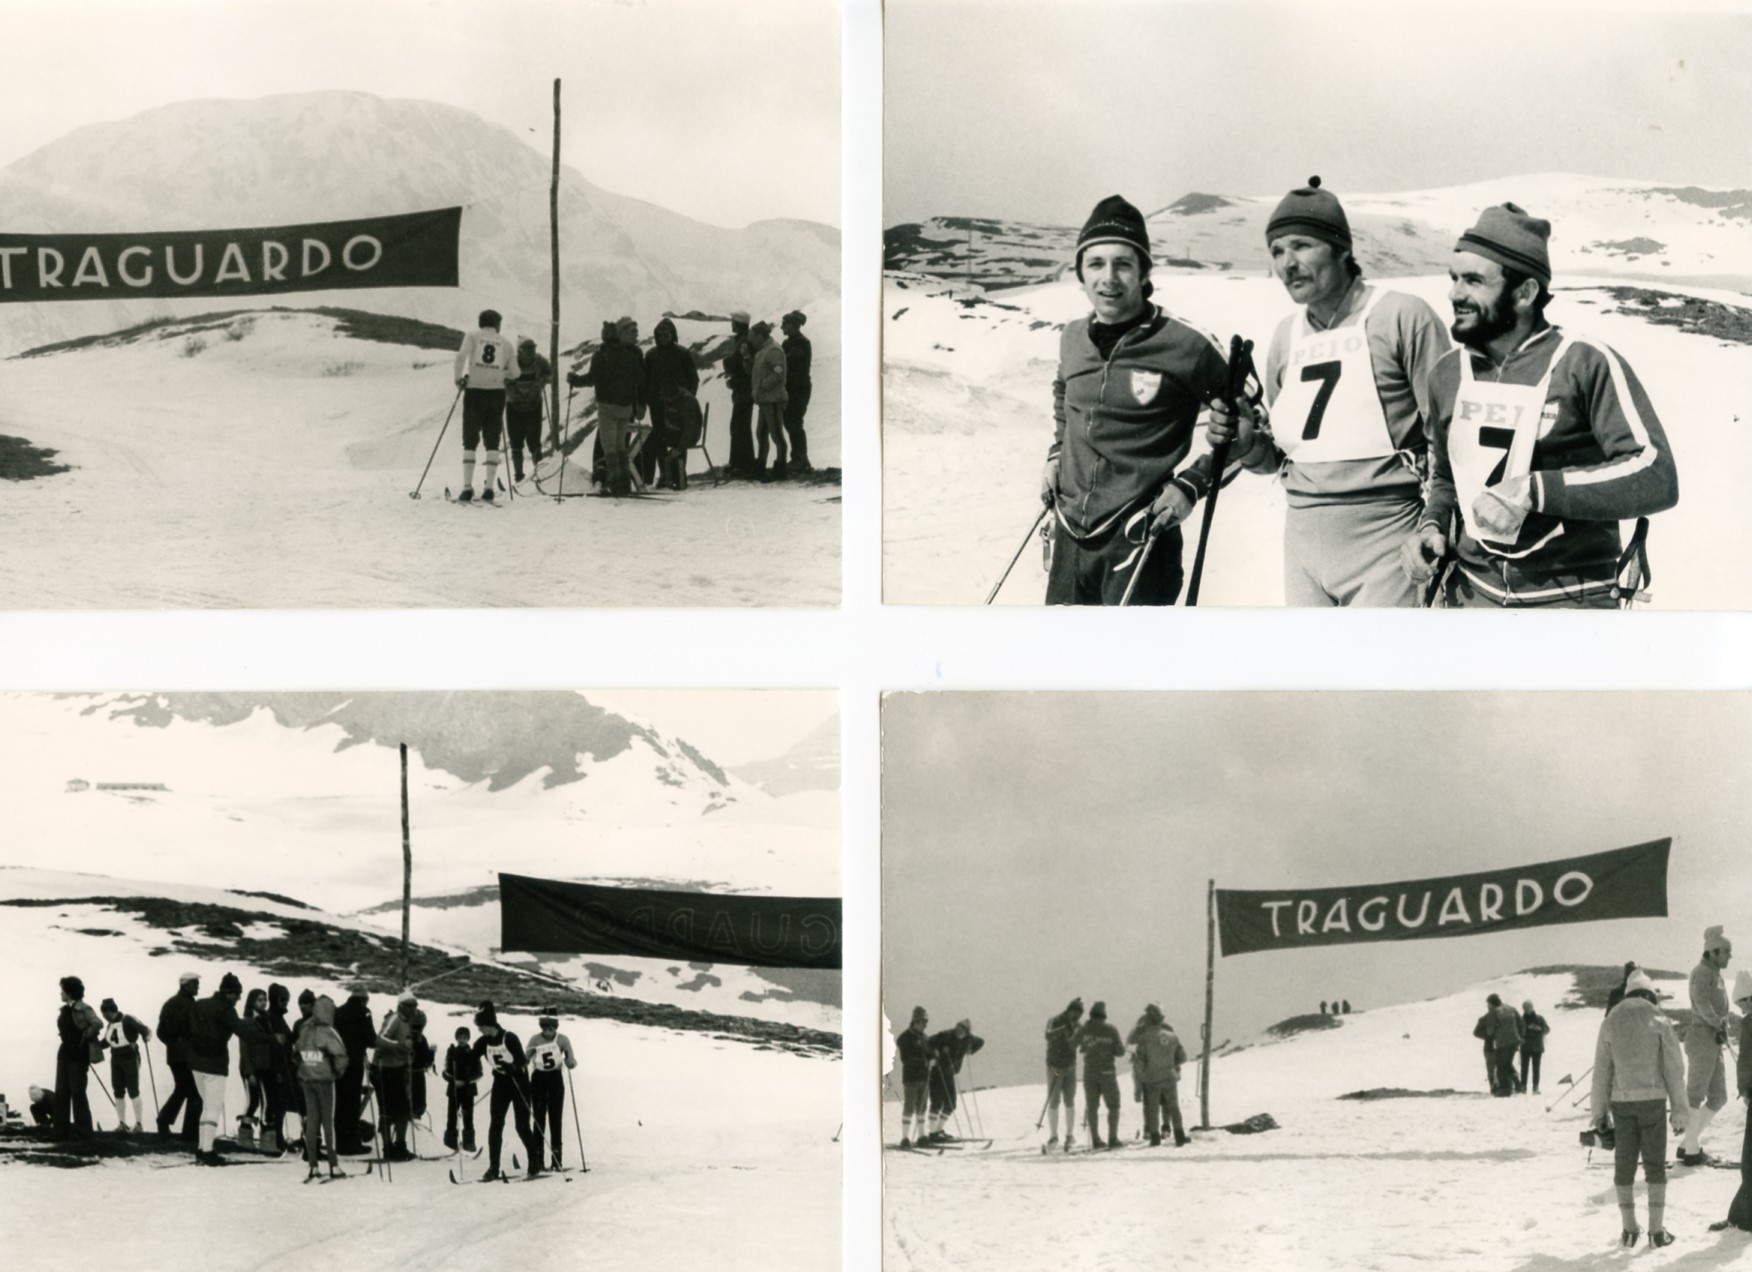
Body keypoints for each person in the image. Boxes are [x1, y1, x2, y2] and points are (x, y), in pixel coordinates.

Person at [1401, 203, 1679, 607]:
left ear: (1525, 292)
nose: (1454, 293)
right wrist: (1432, 525)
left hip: (1570, 598)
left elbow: (1656, 474)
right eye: (1454, 279)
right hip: (1470, 594)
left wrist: (1535, 490)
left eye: (1474, 281)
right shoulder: (1447, 373)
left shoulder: (1584, 362)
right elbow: (1446, 477)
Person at [1208, 177, 1450, 606]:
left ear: (1341, 249)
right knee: (1311, 673)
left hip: (1386, 538)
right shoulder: (1287, 337)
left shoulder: (1400, 317)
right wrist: (1247, 445)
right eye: (1277, 251)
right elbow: (1282, 458)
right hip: (1302, 543)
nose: (1287, 263)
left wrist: (1437, 524)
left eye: (1302, 245)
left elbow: (1449, 440)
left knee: (1378, 673)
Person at [1042, 195, 1245, 605]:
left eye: (1123, 263)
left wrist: (1191, 486)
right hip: (1070, 535)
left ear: (1144, 272)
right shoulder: (1072, 338)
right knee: (1062, 662)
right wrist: (1056, 453)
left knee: (1136, 665)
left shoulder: (1186, 345)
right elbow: (1065, 393)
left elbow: (1249, 428)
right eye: (1095, 263)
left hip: (1141, 535)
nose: (1109, 278)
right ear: (1080, 272)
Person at [1591, 969, 1687, 1248]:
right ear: (1649, 993)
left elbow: (1601, 1073)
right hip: (1653, 1102)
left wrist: (1599, 1114)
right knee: (1655, 1166)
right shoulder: (1658, 1018)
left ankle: (1629, 1229)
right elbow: (1673, 1069)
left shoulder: (1611, 1019)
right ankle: (1656, 1233)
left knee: (1624, 1166)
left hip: (1622, 1104)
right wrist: (1680, 1111)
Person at [567, 316, 646, 497]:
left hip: (607, 406)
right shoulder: (631, 354)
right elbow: (641, 378)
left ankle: (614, 482)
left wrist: (574, 380)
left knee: (609, 446)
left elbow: (591, 378)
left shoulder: (601, 355)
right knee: (621, 445)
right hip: (626, 406)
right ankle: (625, 483)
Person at [1679, 926, 1734, 1165]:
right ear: (1712, 952)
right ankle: (1691, 1150)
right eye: (1725, 952)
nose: (1729, 956)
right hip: (1702, 1036)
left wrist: (1722, 1026)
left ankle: (1686, 1144)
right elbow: (1701, 1003)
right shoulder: (1701, 972)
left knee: (1719, 1096)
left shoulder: (1716, 975)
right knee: (1695, 1094)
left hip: (1714, 1038)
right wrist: (1716, 1023)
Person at [451, 308, 518, 503]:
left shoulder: (472, 336)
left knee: (470, 439)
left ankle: (466, 487)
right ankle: (489, 487)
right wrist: (500, 374)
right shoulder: (506, 343)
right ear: (497, 324)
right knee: (492, 439)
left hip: (474, 391)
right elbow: (515, 373)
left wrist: (458, 379)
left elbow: (460, 356)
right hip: (496, 393)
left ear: (481, 323)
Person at [473, 1003, 541, 1180]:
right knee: (496, 1125)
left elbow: (521, 1063)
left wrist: (513, 1068)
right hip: (500, 1085)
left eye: (481, 1027)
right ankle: (493, 1168)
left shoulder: (509, 1038)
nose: (479, 1030)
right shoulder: (483, 1042)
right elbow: (471, 1057)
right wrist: (459, 1056)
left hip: (519, 1084)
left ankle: (534, 1162)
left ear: (489, 1024)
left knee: (522, 1126)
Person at [1708, 969, 1752, 1232]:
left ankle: (1742, 1218)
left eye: (1743, 1002)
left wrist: (1745, 1089)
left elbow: (1746, 1061)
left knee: (1750, 1159)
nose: (1742, 1008)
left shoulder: (1750, 1023)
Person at [187, 972, 246, 1166]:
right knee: (213, 1107)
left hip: (196, 1063)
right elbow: (242, 1031)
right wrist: (271, 1038)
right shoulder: (226, 1009)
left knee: (206, 1106)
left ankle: (202, 1148)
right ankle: (208, 1151)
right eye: (237, 994)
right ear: (229, 993)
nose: (239, 998)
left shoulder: (199, 1004)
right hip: (216, 1064)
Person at [292, 994, 349, 1181]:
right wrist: (337, 1072)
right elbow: (341, 1055)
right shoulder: (329, 1032)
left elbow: (296, 1053)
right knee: (328, 1122)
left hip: (307, 1080)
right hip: (325, 1081)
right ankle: (334, 1165)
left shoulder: (305, 1029)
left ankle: (313, 1165)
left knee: (312, 1122)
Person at [643, 318, 697, 488]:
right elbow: (646, 380)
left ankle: (680, 473)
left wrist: (686, 401)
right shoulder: (651, 356)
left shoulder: (683, 354)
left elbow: (693, 379)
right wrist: (647, 400)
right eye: (660, 334)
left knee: (680, 438)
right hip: (657, 405)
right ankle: (665, 474)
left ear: (673, 335)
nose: (663, 337)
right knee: (660, 438)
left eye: (667, 334)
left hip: (679, 406)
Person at [1127, 1004, 1189, 1147]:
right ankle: (1179, 1136)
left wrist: (1142, 1077)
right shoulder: (1172, 1036)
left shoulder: (1144, 1038)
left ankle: (1155, 1138)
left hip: (1152, 1078)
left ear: (1148, 1020)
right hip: (1169, 1076)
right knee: (1174, 1107)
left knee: (1152, 1108)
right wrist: (1173, 1067)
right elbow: (1183, 1057)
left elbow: (1140, 1060)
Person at [525, 1012, 579, 1169]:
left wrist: (570, 1061)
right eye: (544, 1027)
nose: (548, 1030)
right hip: (538, 1079)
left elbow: (572, 1061)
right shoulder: (535, 1039)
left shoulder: (563, 1039)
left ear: (556, 1027)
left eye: (551, 1027)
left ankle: (556, 1160)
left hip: (555, 1079)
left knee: (555, 1119)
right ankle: (538, 1159)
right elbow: (526, 1058)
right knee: (539, 1119)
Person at [53, 975, 103, 1139]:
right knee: (61, 1092)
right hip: (64, 1053)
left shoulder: (84, 1008)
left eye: (62, 991)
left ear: (69, 992)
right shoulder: (65, 1009)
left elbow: (97, 1023)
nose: (60, 994)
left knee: (77, 1092)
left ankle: (84, 1132)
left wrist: (86, 1034)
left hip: (78, 1055)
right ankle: (61, 1132)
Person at [373, 991, 419, 1162]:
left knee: (403, 1111)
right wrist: (401, 1046)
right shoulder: (394, 1019)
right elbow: (380, 1039)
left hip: (399, 1069)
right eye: (409, 1005)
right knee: (387, 1111)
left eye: (415, 1005)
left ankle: (400, 1145)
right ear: (401, 1006)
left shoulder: (407, 1021)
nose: (413, 1009)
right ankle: (388, 1147)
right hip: (384, 1070)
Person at [156, 972, 203, 1141]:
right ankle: (189, 1134)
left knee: (183, 1089)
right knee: (195, 1094)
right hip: (187, 1056)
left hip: (175, 1056)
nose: (198, 987)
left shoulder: (171, 1003)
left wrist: (173, 1044)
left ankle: (164, 1121)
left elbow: (160, 1032)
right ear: (186, 985)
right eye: (195, 984)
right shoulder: (189, 1005)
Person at [1074, 1000, 1126, 1149]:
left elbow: (1072, 1044)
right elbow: (1121, 1051)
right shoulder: (1111, 1029)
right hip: (1107, 1072)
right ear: (1104, 1015)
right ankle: (1113, 1138)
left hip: (1089, 1072)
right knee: (1114, 1106)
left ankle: (1096, 1139)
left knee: (1092, 1107)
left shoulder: (1084, 1029)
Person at [333, 986, 377, 1155]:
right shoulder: (364, 1011)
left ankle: (339, 1142)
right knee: (352, 1102)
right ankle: (351, 1143)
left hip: (337, 1062)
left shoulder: (338, 1011)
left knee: (340, 1103)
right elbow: (371, 1038)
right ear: (364, 999)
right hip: (354, 1062)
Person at [924, 1018, 985, 1143]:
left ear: (967, 1032)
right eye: (958, 1027)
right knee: (936, 1103)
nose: (958, 1031)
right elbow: (928, 1042)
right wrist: (933, 1054)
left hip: (950, 1074)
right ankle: (932, 1134)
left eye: (962, 1029)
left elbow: (981, 1042)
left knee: (951, 1104)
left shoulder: (968, 1039)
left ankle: (938, 1131)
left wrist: (970, 1050)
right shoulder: (945, 1035)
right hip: (937, 1072)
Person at [97, 997, 151, 1133]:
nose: (104, 1018)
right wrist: (92, 1045)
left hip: (130, 1057)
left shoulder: (127, 1019)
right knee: (118, 1091)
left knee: (133, 1090)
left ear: (109, 1011)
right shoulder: (111, 1025)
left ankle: (138, 1124)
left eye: (104, 1015)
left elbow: (145, 1029)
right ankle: (122, 1123)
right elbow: (106, 1042)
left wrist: (145, 1035)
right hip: (115, 1059)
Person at [504, 337, 552, 483]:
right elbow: (504, 379)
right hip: (514, 407)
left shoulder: (539, 361)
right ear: (520, 351)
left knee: (534, 442)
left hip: (533, 406)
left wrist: (540, 383)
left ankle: (540, 474)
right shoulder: (511, 362)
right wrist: (514, 393)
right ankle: (519, 476)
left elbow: (551, 374)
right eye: (528, 349)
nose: (532, 352)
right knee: (516, 442)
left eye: (533, 349)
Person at [235, 987, 278, 1147]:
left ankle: (254, 1136)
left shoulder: (267, 1020)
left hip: (267, 1066)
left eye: (265, 999)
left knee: (262, 1101)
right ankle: (254, 1137)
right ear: (252, 1002)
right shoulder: (247, 1022)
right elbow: (245, 1048)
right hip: (253, 1067)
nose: (264, 1003)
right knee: (257, 1101)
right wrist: (250, 1071)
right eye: (260, 1000)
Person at [750, 321, 790, 481]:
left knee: (776, 435)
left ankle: (780, 468)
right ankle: (761, 466)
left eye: (753, 336)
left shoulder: (773, 350)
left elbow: (778, 373)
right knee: (761, 433)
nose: (751, 340)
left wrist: (761, 387)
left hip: (773, 399)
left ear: (760, 336)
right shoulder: (762, 350)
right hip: (765, 400)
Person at [1043, 998, 1083, 1150]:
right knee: (1054, 1100)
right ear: (1069, 1010)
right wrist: (1065, 1028)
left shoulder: (1078, 1025)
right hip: (1054, 1066)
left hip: (1070, 1067)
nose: (1077, 1018)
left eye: (1079, 1015)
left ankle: (1069, 1135)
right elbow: (1047, 1035)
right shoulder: (1054, 1020)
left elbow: (1081, 1040)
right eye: (1076, 1014)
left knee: (1069, 1099)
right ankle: (1053, 1136)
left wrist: (1077, 1032)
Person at [724, 310, 756, 478]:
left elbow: (732, 362)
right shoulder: (744, 339)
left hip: (744, 390)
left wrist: (728, 364)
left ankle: (743, 463)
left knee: (740, 425)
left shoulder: (743, 341)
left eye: (733, 322)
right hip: (742, 388)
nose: (731, 324)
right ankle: (738, 462)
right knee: (739, 425)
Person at [781, 309, 813, 474]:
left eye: (784, 324)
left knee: (794, 422)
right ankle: (799, 458)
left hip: (799, 389)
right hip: (792, 388)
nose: (781, 328)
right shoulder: (788, 343)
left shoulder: (801, 343)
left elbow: (794, 366)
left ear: (793, 325)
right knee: (791, 422)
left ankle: (800, 459)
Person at [895, 1005, 932, 1149]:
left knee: (922, 1107)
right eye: (924, 1022)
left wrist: (933, 1055)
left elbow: (927, 1052)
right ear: (916, 1021)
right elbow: (907, 1058)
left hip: (924, 1076)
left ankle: (922, 1136)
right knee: (910, 1106)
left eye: (926, 1022)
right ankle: (905, 1138)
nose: (926, 1025)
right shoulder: (905, 1038)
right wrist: (926, 1061)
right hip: (911, 1077)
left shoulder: (924, 1038)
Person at [444, 1025, 481, 1154]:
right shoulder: (452, 1052)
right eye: (460, 1038)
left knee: (468, 1116)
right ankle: (450, 1143)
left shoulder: (472, 1053)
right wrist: (453, 1081)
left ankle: (469, 1143)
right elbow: (446, 1071)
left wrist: (465, 1082)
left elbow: (479, 1073)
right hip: (454, 1089)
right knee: (451, 1116)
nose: (462, 1040)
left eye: (465, 1038)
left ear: (468, 1039)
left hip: (468, 1090)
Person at [1482, 993, 1523, 1097]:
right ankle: (1518, 1085)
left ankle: (1505, 1089)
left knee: (1501, 1065)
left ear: (1491, 1004)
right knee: (1508, 1063)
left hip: (1503, 1042)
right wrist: (1520, 1036)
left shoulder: (1494, 1013)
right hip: (1514, 1041)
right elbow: (1521, 1023)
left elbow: (1490, 1031)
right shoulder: (1511, 1009)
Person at [1519, 1000, 1550, 1095]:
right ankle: (1523, 1087)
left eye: (1528, 1007)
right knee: (1524, 1068)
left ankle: (1535, 1087)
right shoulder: (1521, 1019)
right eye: (1525, 1008)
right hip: (1526, 1047)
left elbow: (1547, 1029)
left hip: (1536, 1047)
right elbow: (1518, 1032)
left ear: (1532, 1007)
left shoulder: (1539, 1018)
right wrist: (1528, 1029)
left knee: (1536, 1068)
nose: (1527, 1009)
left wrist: (1539, 1029)